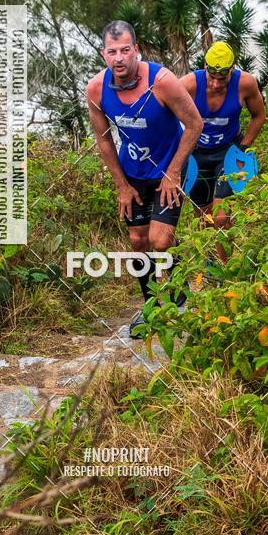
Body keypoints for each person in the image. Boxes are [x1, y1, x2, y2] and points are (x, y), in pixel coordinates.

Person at [86, 20, 203, 337]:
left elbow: (195, 124)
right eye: (112, 52)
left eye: (125, 50)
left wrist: (174, 172)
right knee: (138, 241)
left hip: (168, 169)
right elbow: (104, 141)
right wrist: (121, 186)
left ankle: (180, 288)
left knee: (160, 241)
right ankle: (150, 305)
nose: (119, 58)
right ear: (103, 54)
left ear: (136, 50)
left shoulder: (162, 82)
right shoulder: (96, 89)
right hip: (133, 174)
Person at [180, 41, 266, 261]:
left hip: (227, 153)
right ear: (205, 67)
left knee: (221, 217)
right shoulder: (188, 85)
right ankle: (213, 265)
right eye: (212, 77)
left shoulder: (245, 83)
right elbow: (164, 114)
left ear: (232, 70)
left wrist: (243, 147)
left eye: (223, 78)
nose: (216, 84)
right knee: (204, 218)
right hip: (197, 155)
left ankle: (227, 268)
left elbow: (259, 116)